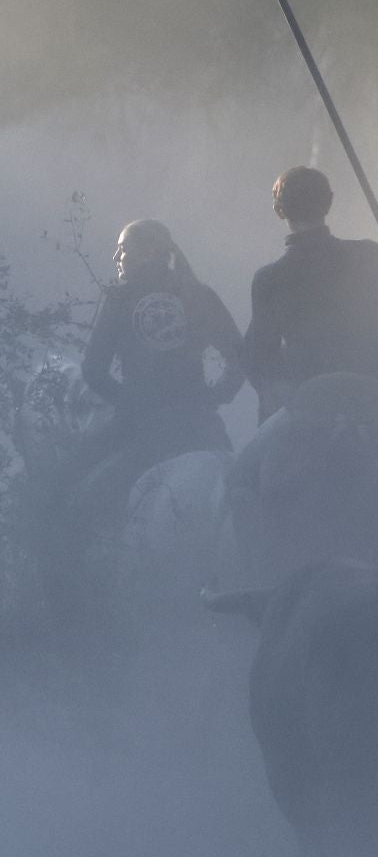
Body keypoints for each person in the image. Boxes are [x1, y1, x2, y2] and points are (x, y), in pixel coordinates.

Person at [33, 220, 244, 611]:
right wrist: (215, 397)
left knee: (62, 495)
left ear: (147, 251)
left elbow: (93, 370)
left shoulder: (121, 297)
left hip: (142, 426)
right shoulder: (199, 294)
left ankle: (68, 611)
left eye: (124, 248)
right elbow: (240, 358)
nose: (117, 256)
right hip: (200, 425)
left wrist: (129, 401)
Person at [243, 165, 378, 421]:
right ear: (329, 202)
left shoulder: (269, 279)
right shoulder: (369, 255)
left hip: (310, 410)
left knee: (253, 451)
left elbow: (260, 361)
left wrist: (288, 397)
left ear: (279, 210)